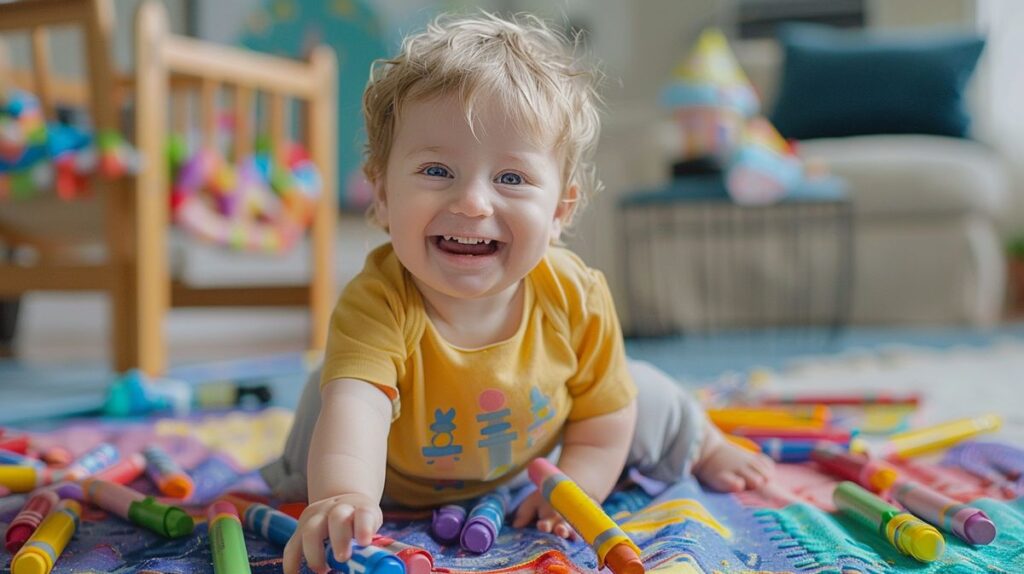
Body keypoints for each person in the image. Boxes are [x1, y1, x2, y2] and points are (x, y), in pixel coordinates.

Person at [265, 13, 774, 574]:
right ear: (383, 195)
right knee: (329, 402)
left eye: (511, 179)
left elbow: (604, 425)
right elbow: (359, 409)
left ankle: (702, 442)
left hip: (527, 454)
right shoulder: (379, 300)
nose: (474, 204)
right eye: (437, 170)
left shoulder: (575, 296)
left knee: (641, 389)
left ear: (559, 211)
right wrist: (342, 496)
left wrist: (573, 489)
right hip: (394, 472)